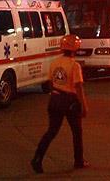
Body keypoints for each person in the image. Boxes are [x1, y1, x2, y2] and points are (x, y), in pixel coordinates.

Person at [31, 34, 89, 173]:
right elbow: (78, 87)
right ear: (75, 48)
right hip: (70, 101)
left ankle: (37, 158)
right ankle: (79, 160)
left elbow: (51, 83)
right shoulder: (74, 66)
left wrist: (55, 94)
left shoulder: (55, 63)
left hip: (55, 99)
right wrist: (84, 106)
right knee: (77, 132)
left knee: (51, 131)